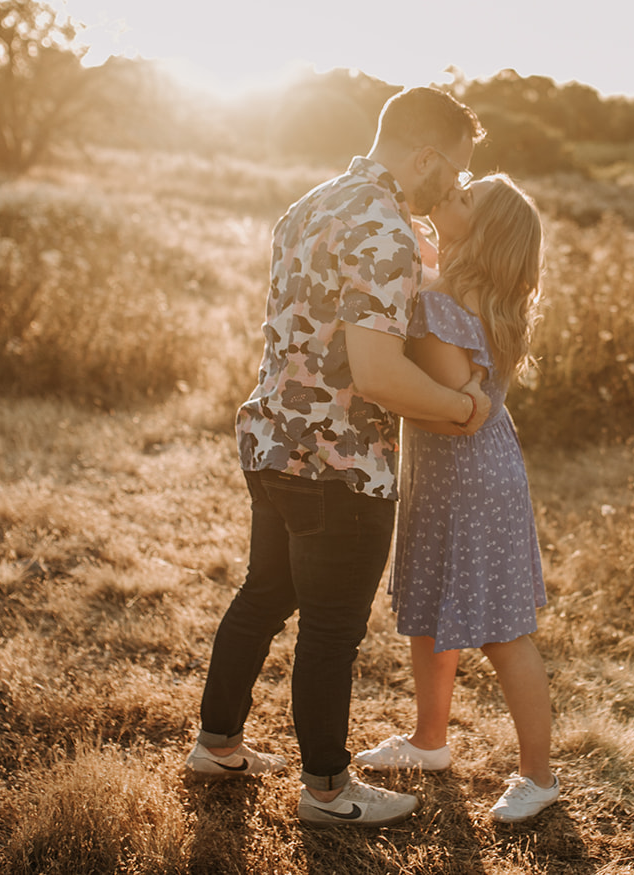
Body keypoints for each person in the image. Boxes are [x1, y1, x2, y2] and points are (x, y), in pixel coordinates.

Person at [184, 87, 492, 829]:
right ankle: (327, 789)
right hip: (340, 462)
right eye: (452, 174)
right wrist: (464, 408)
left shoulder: (313, 201)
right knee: (330, 630)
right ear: (424, 156)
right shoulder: (385, 230)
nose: (451, 190)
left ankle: (217, 743)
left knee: (263, 594)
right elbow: (379, 373)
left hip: (272, 443)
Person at [354, 174, 559, 823]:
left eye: (466, 198)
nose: (451, 193)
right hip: (459, 470)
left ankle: (539, 775)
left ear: (484, 233)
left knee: (502, 631)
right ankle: (430, 739)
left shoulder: (443, 302)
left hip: (467, 471)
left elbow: (450, 412)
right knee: (431, 606)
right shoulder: (480, 294)